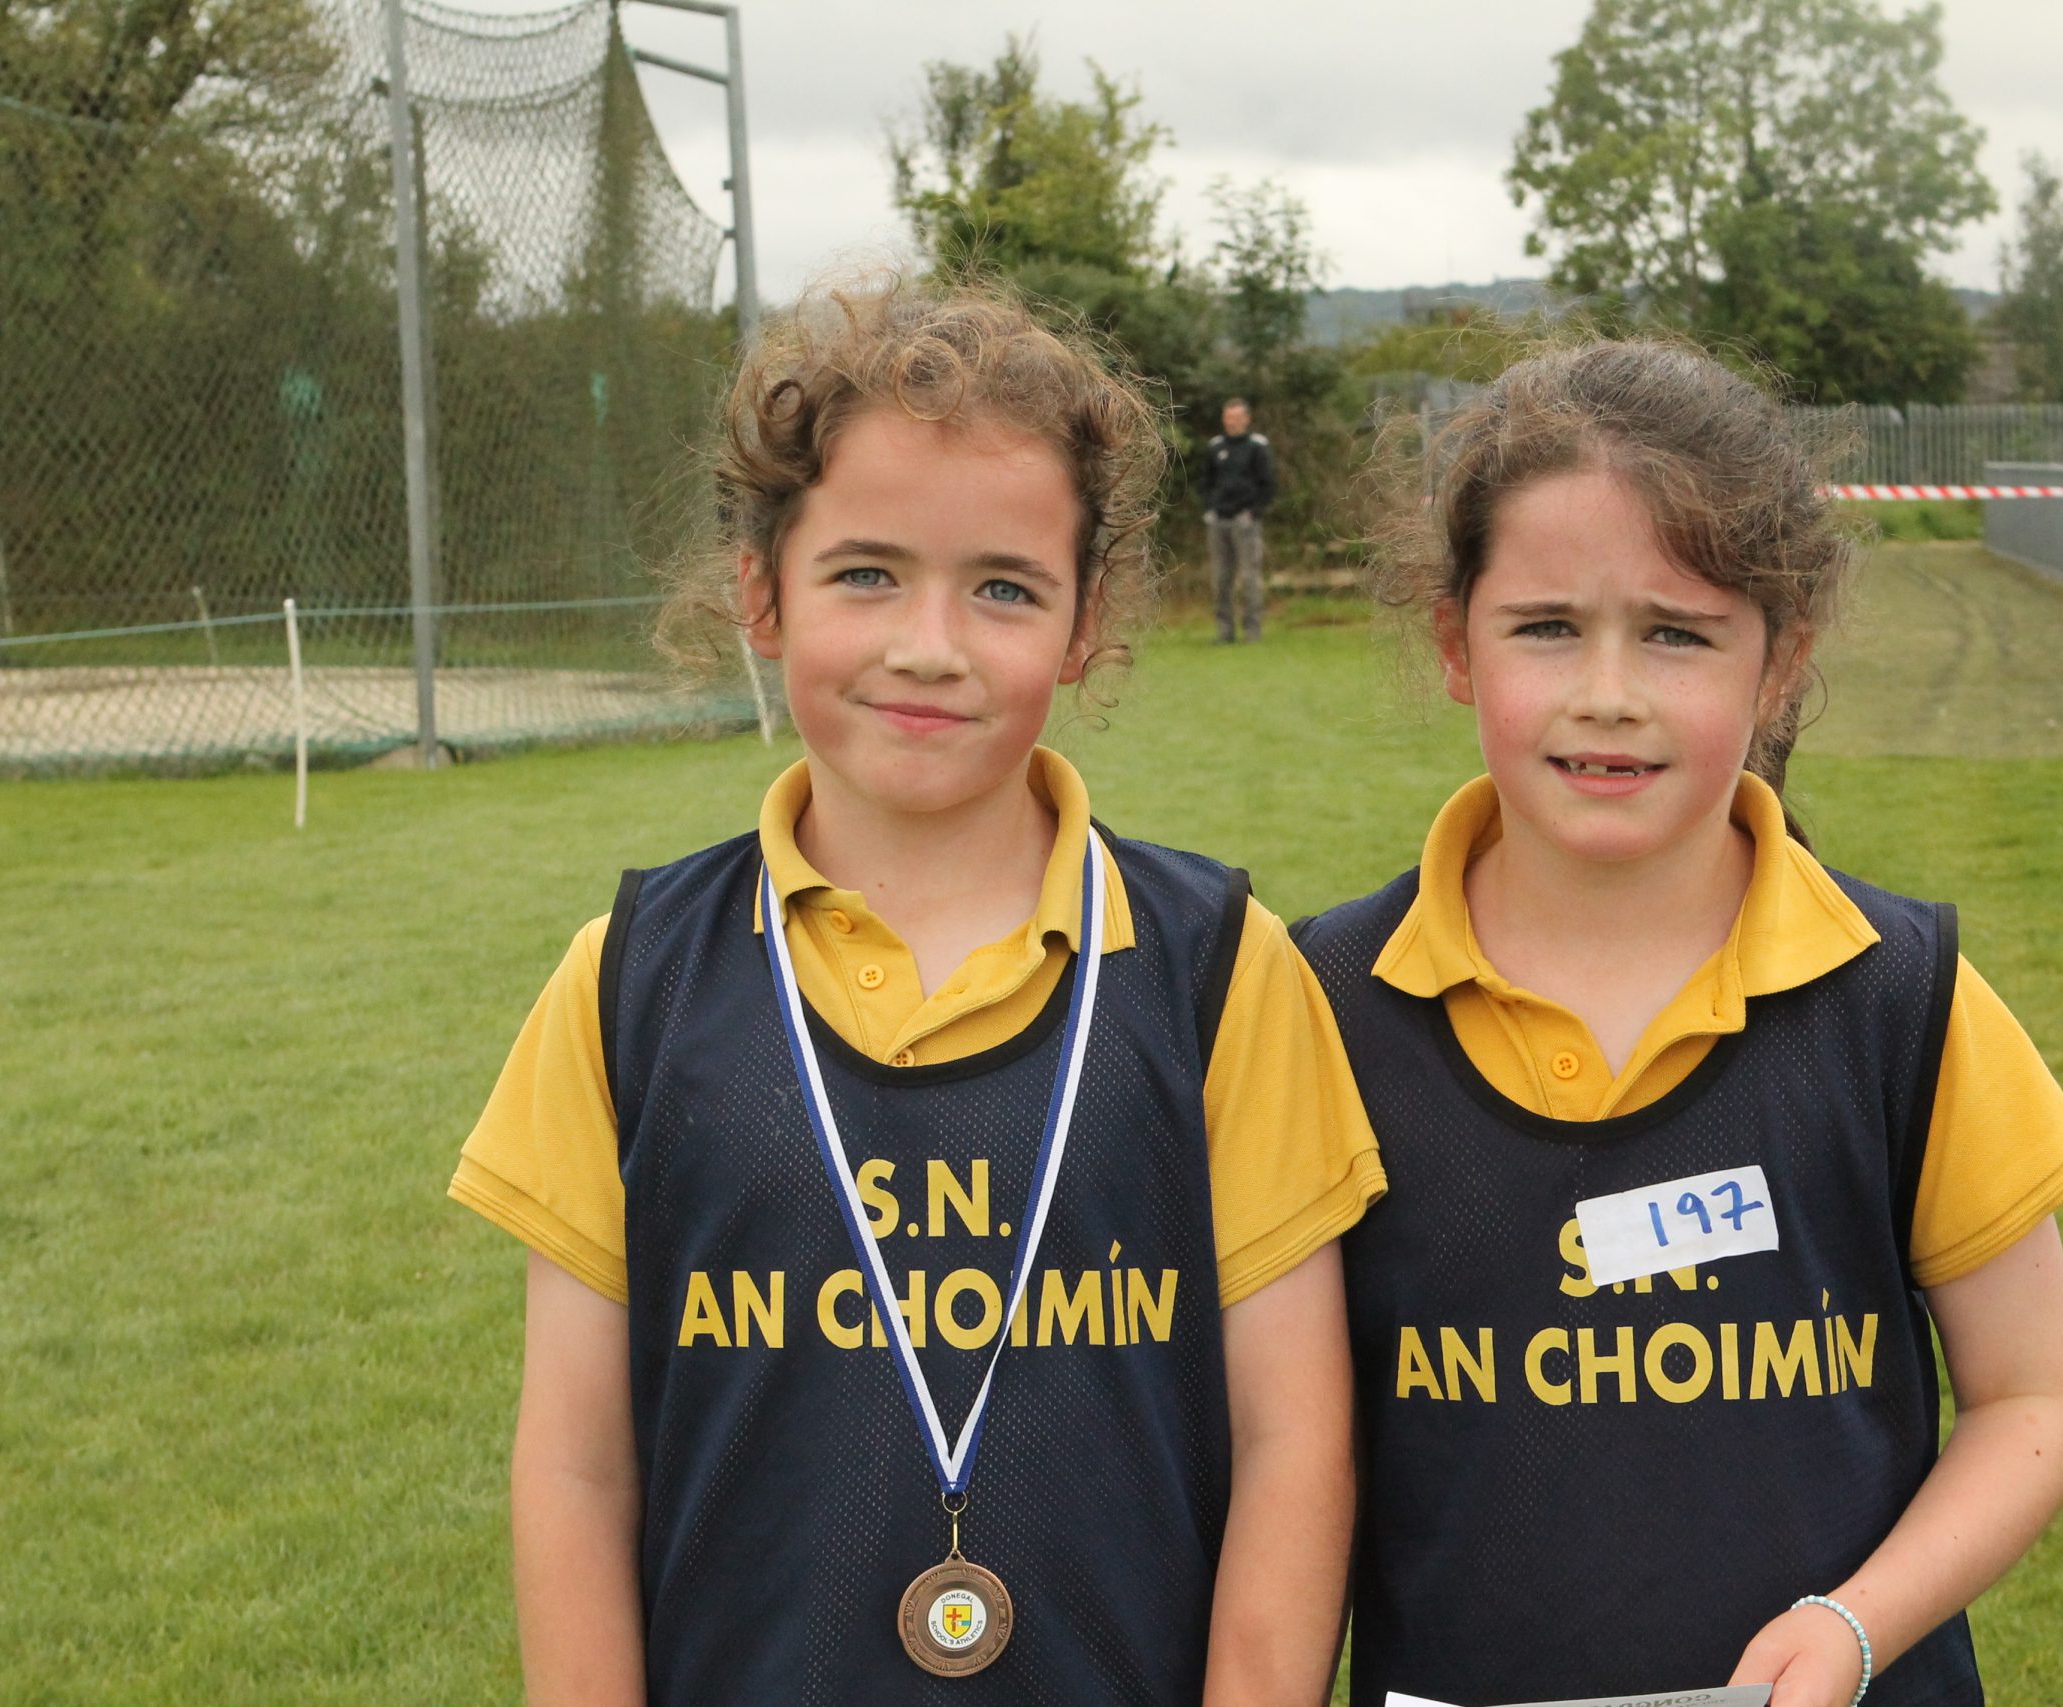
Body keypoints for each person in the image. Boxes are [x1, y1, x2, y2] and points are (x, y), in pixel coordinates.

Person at [448, 276, 1382, 1705]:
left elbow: (1293, 1443)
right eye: (866, 573)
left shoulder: (1219, 969)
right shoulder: (628, 980)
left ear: (1082, 626)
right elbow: (575, 1466)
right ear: (762, 594)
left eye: (1003, 587)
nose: (930, 643)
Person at [1298, 340, 2063, 1707]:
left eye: (1677, 632)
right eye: (1546, 626)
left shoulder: (1899, 999)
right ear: (1453, 643)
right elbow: (1279, 1451)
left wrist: (1853, 1627)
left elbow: (2035, 1399)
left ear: (1779, 663)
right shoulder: (1321, 1002)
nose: (1608, 691)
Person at [1199, 397, 1276, 643]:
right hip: (1219, 521)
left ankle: (1252, 631)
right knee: (1221, 579)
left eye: (1236, 418)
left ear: (1246, 419)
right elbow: (1206, 482)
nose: (1231, 422)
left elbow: (1268, 485)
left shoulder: (1257, 446)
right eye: (1228, 417)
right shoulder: (1215, 446)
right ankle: (1225, 631)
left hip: (1246, 521)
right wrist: (1210, 508)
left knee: (1249, 578)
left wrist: (1253, 512)